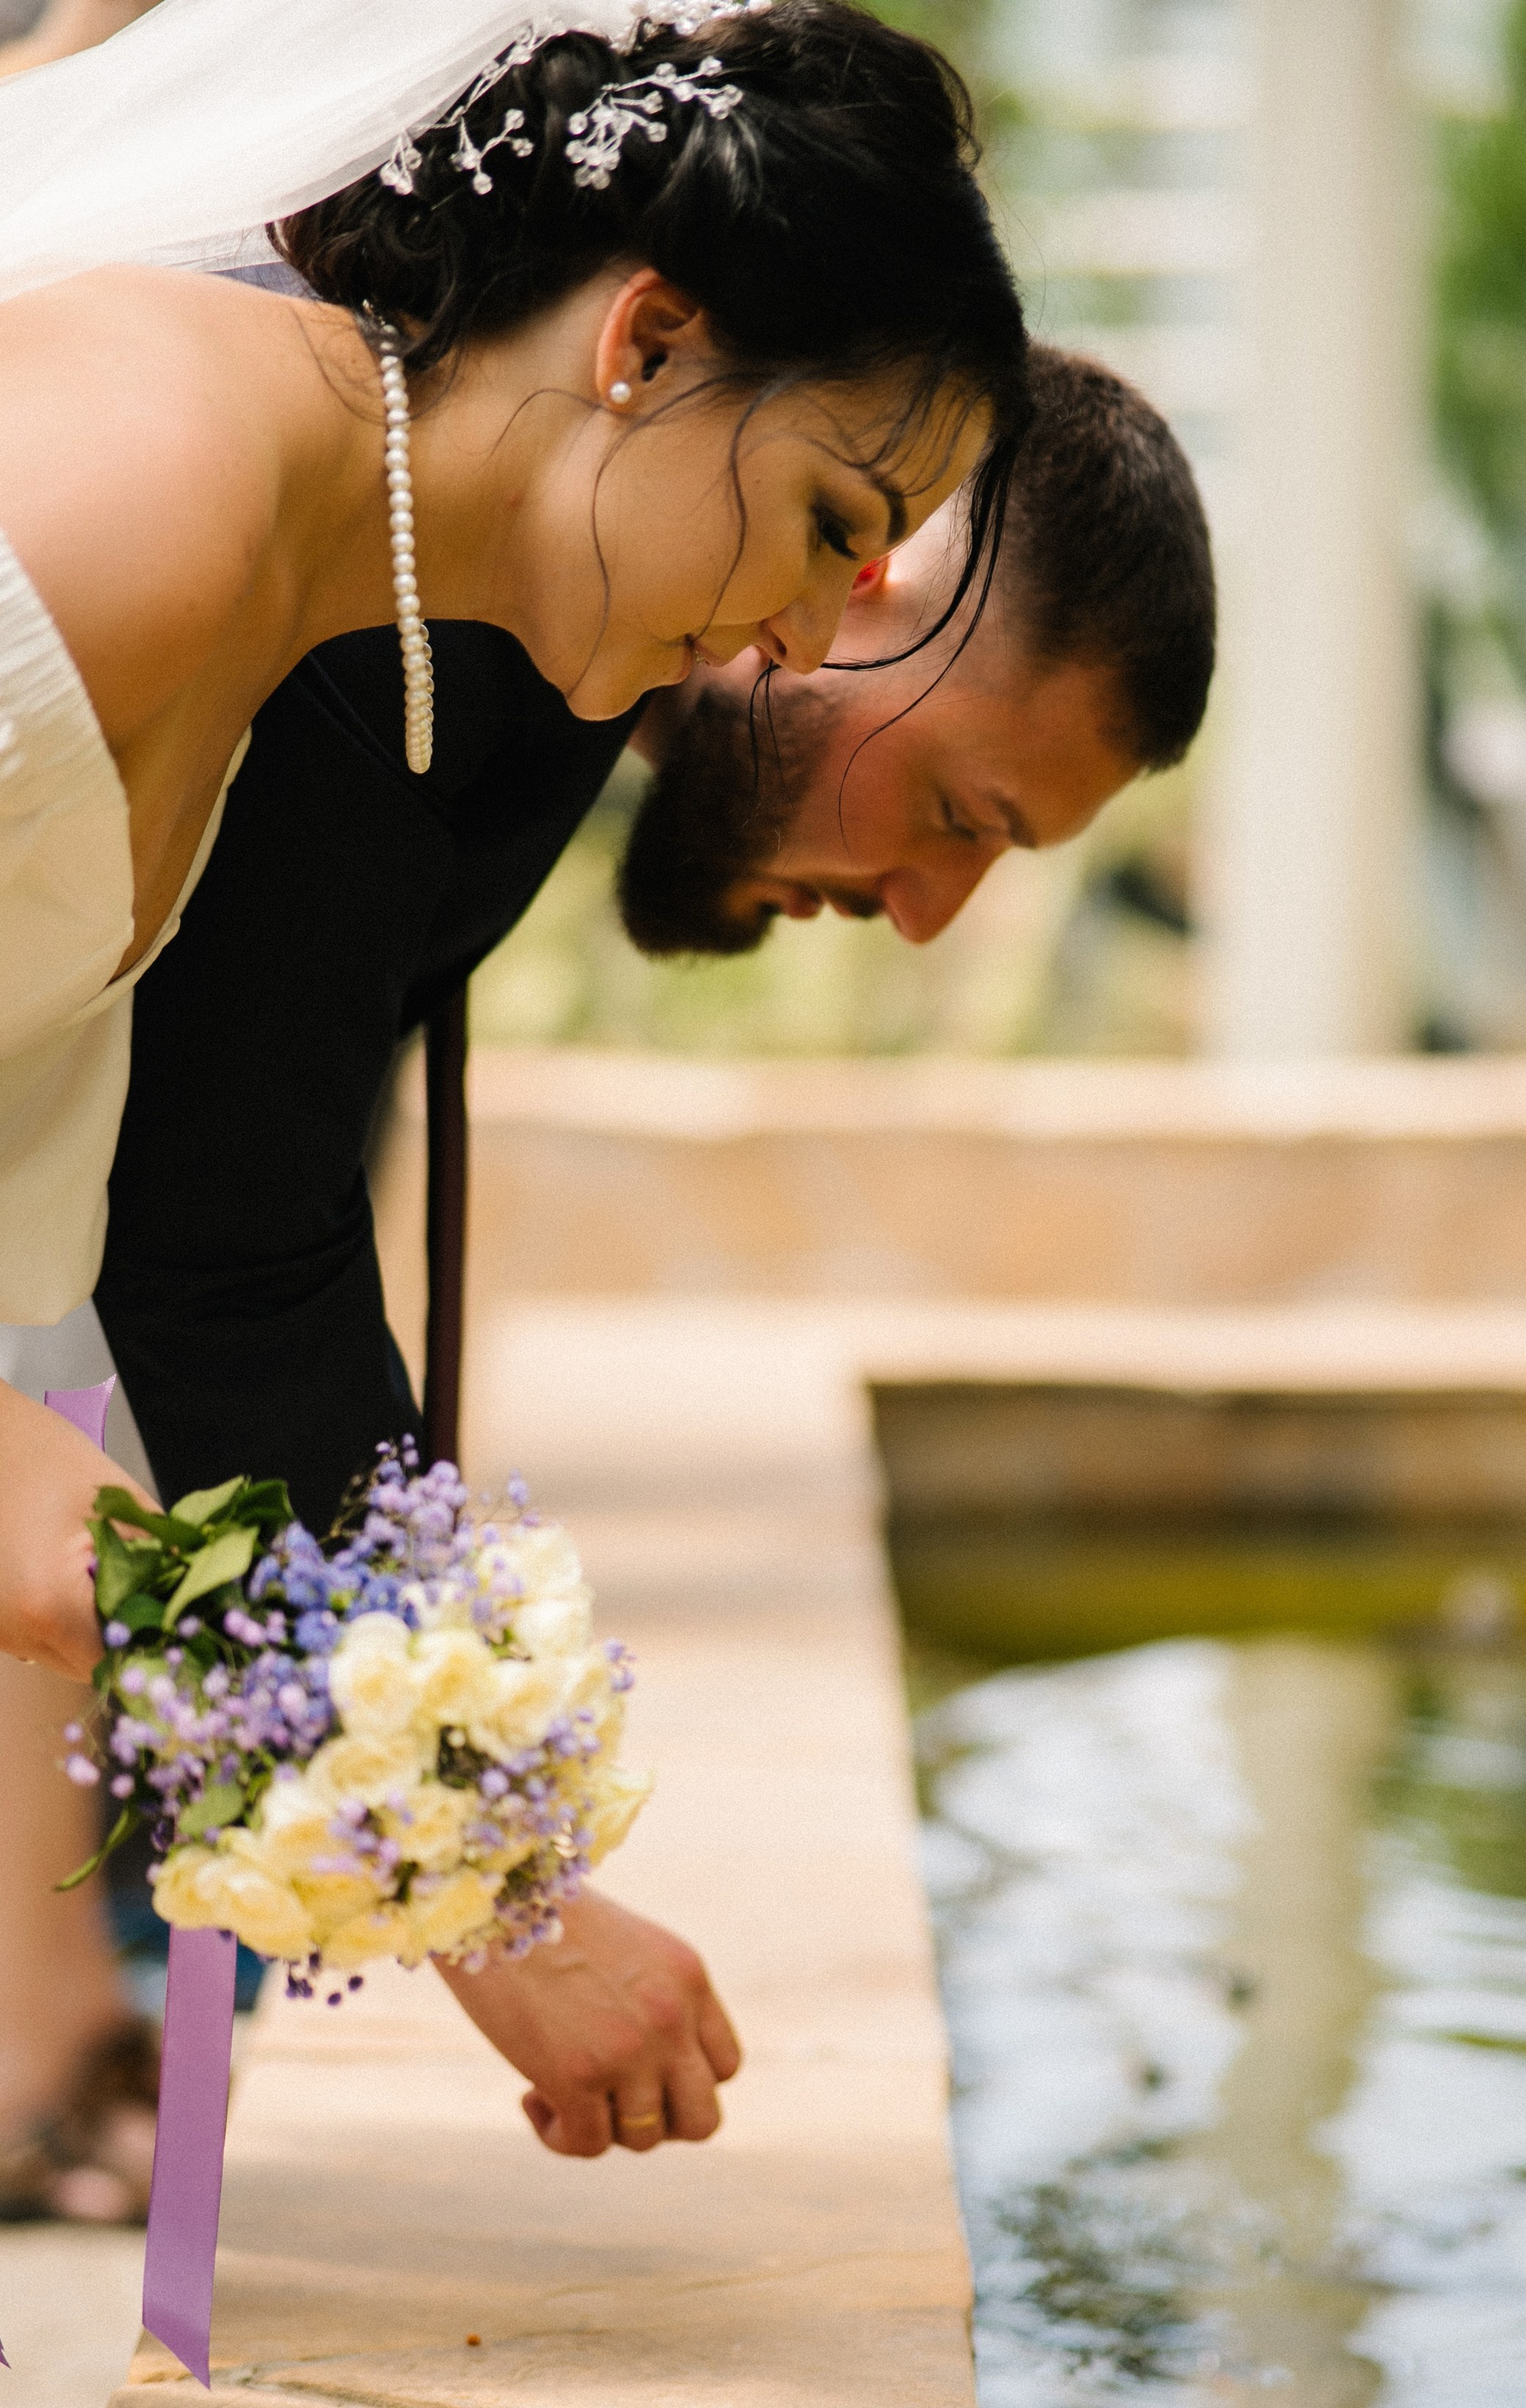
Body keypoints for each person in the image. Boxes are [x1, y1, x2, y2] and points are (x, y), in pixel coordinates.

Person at [0, 0, 1029, 2211]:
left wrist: (432, 1822)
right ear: (647, 340)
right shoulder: (152, 477)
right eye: (839, 518)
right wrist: (474, 1864)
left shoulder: (287, 574)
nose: (798, 641)